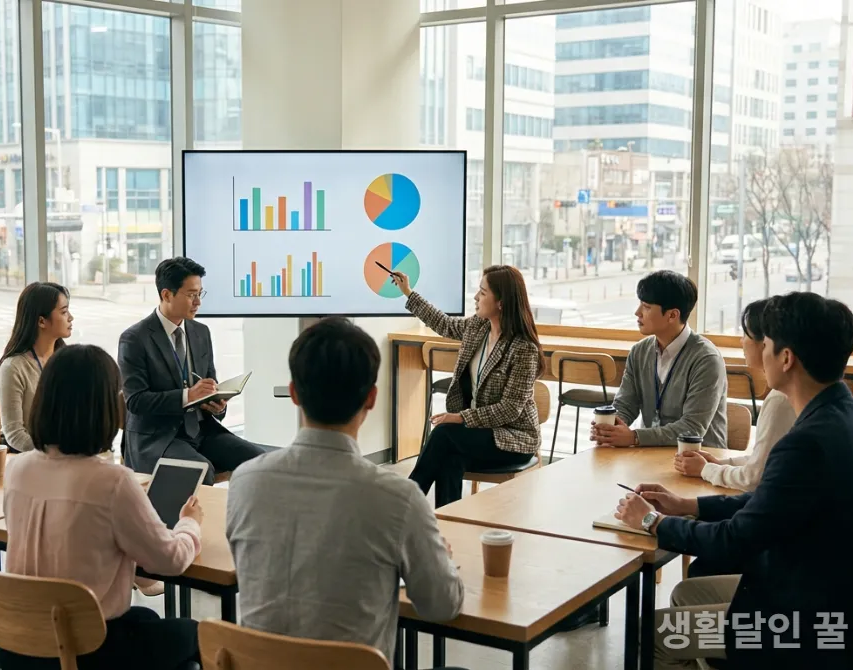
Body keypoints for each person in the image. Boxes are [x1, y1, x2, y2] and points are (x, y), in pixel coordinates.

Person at [614, 292, 853, 670]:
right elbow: (771, 503)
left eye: (764, 343)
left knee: (650, 634)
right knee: (689, 593)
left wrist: (652, 522)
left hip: (812, 628)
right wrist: (690, 505)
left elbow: (737, 538)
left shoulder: (807, 442)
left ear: (786, 358)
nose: (757, 350)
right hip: (844, 604)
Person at [227, 318, 464, 667]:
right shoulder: (398, 499)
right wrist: (437, 558)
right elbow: (441, 606)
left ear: (293, 393)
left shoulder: (245, 481)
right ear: (371, 398)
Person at [1, 344, 203, 670]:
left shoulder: (18, 468)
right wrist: (190, 523)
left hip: (20, 645)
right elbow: (172, 560)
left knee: (145, 619)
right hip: (86, 648)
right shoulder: (112, 482)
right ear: (105, 405)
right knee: (196, 635)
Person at [393, 265, 543, 508]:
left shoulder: (523, 349)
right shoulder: (478, 327)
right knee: (449, 457)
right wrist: (408, 292)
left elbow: (510, 410)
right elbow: (444, 324)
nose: (476, 297)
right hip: (475, 435)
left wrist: (460, 418)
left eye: (482, 293)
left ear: (501, 302)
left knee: (444, 434)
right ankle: (444, 523)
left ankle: (405, 503)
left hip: (513, 439)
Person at [118, 257, 271, 483]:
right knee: (201, 470)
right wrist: (187, 396)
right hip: (157, 437)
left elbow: (209, 384)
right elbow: (136, 401)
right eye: (191, 295)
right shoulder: (134, 339)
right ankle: (192, 519)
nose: (198, 301)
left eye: (200, 293)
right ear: (166, 295)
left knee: (260, 462)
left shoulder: (201, 332)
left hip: (201, 429)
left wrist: (217, 403)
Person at [592, 270, 728, 449]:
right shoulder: (639, 351)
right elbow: (626, 403)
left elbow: (692, 428)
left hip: (700, 460)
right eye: (640, 304)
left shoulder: (706, 359)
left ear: (672, 315)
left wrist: (634, 437)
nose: (637, 313)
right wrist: (610, 427)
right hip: (649, 454)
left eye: (647, 307)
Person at [674, 299, 796, 492]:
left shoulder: (782, 398)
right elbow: (764, 460)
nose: (741, 341)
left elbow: (754, 478)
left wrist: (706, 469)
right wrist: (721, 464)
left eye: (746, 335)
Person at [0, 282, 72, 454]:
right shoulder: (13, 368)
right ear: (42, 321)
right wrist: (58, 454)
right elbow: (15, 435)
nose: (71, 318)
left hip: (69, 458)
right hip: (31, 460)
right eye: (64, 312)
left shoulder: (68, 360)